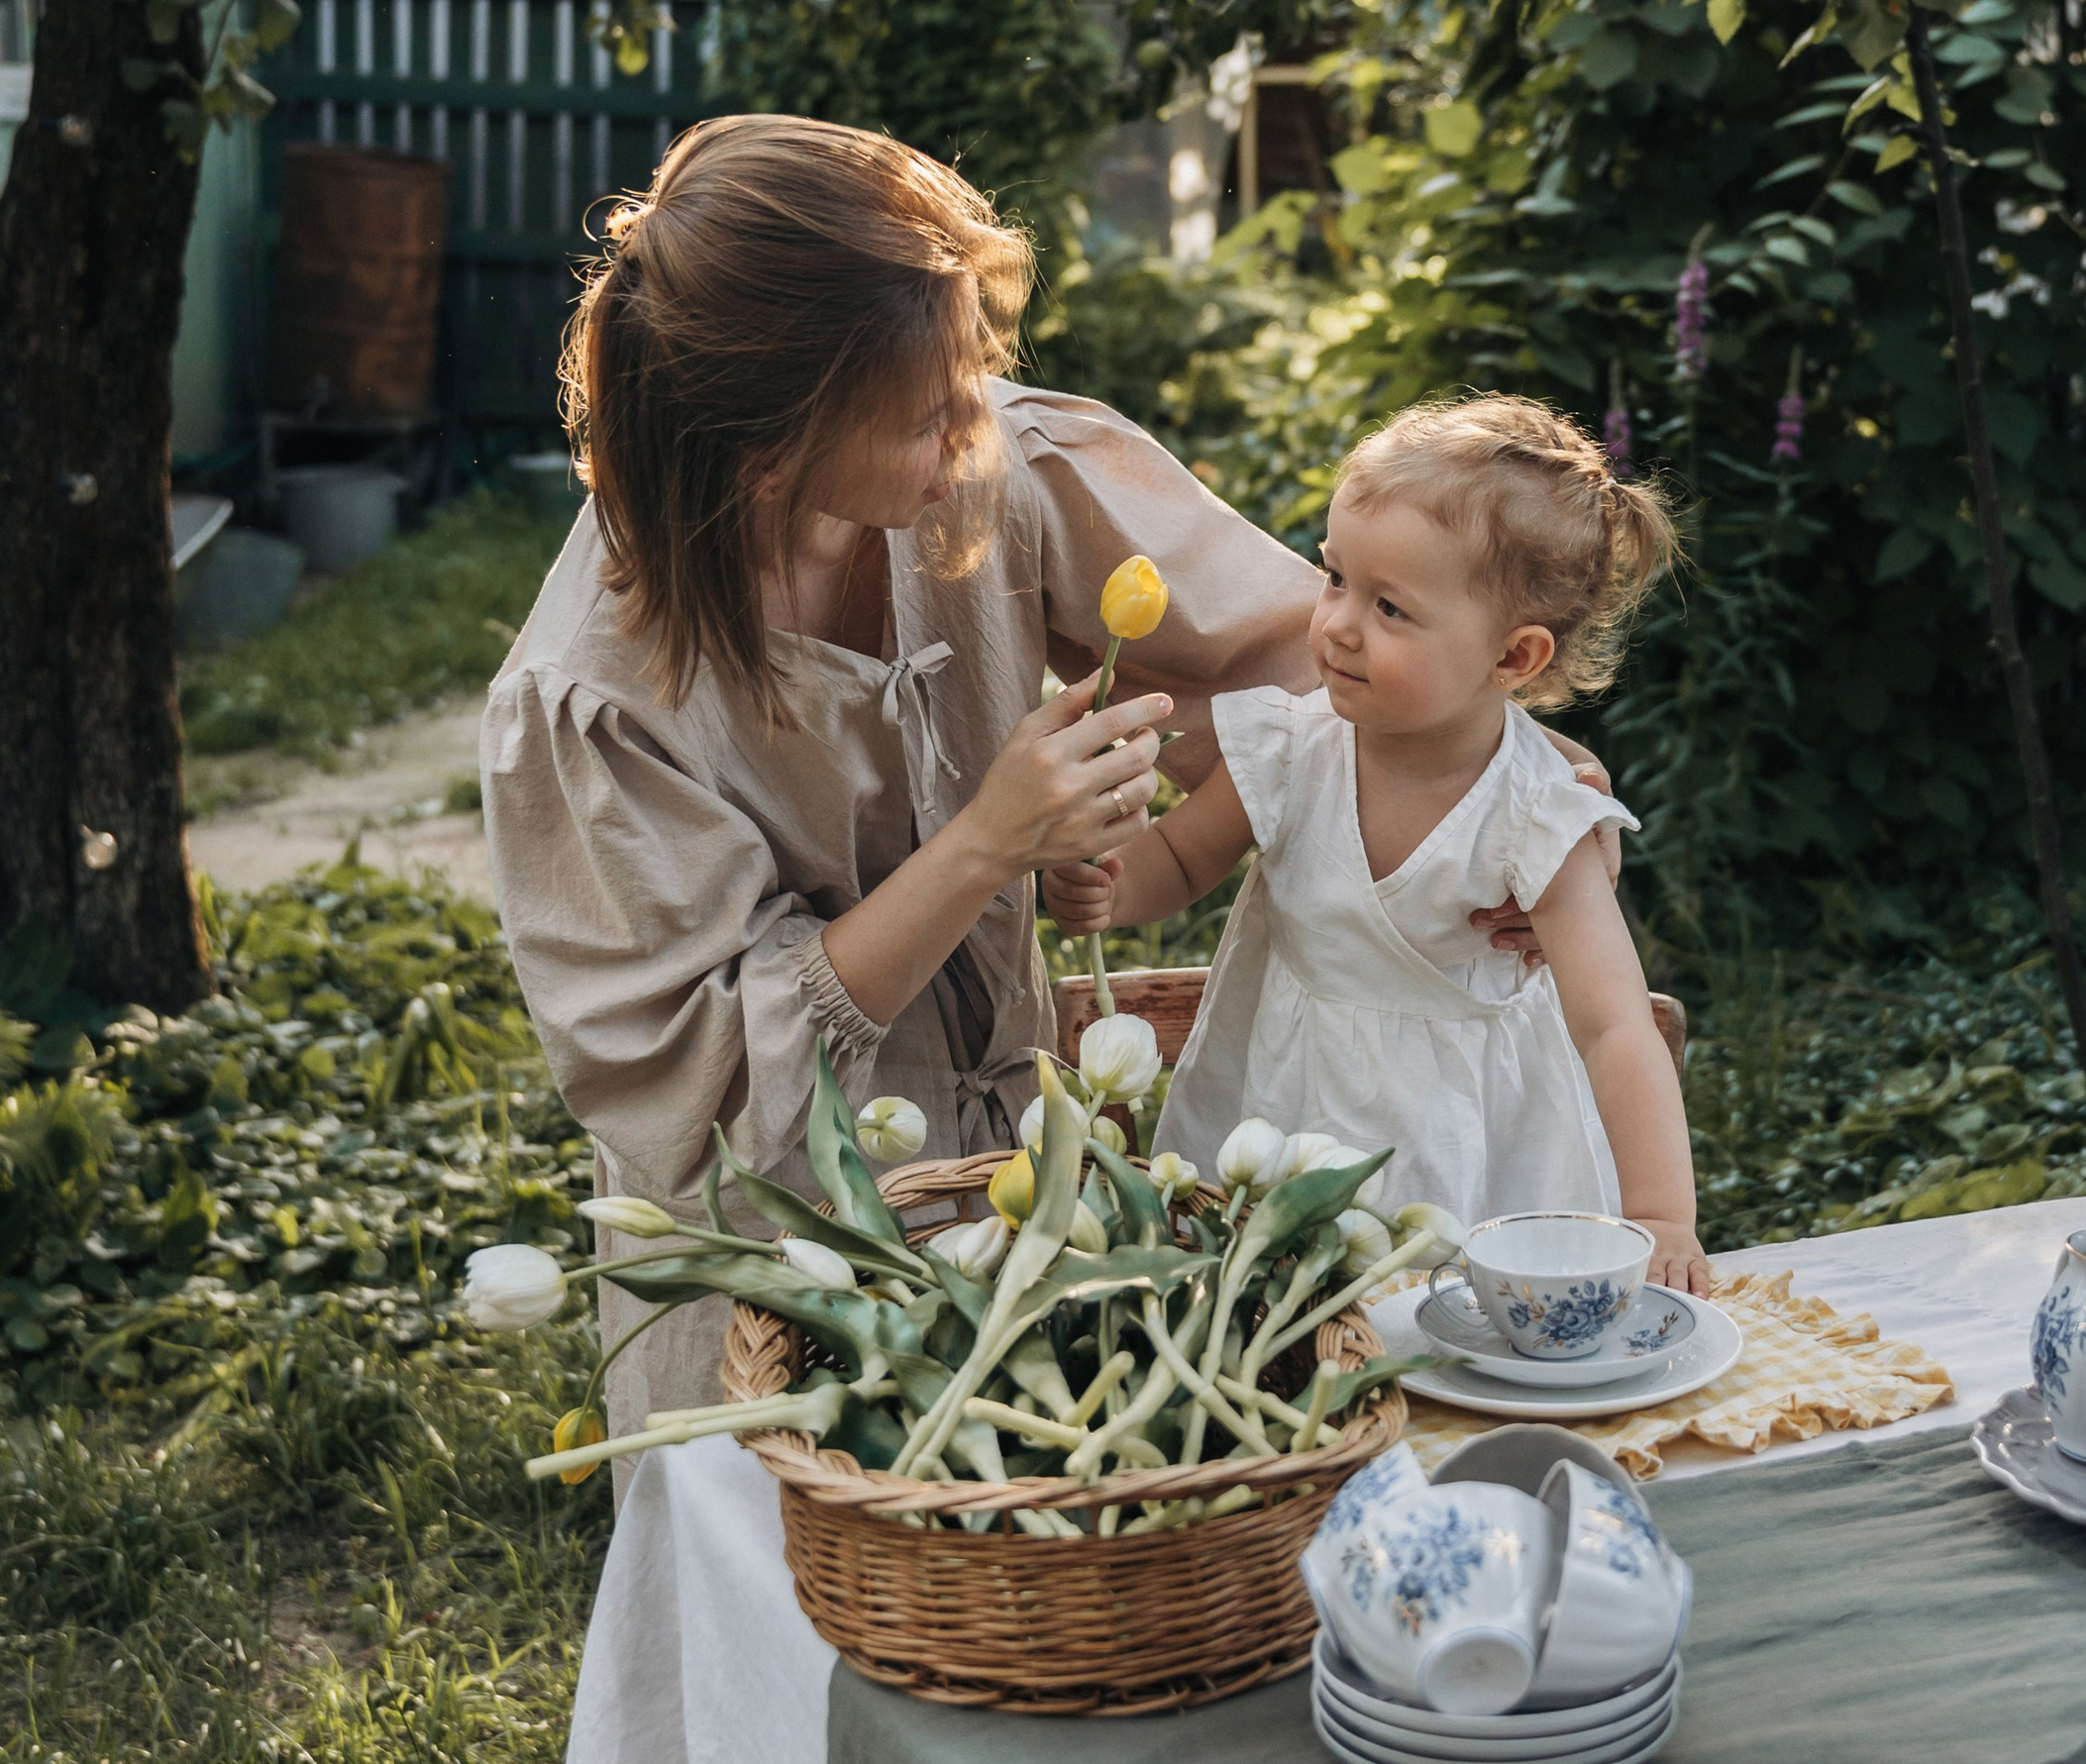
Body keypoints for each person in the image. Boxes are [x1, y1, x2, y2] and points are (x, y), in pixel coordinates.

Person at [479, 120, 1612, 1426]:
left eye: (967, 376)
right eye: (926, 413)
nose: (974, 434)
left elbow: (1307, 655)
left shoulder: (994, 467)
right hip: (774, 1272)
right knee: (803, 1587)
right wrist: (982, 847)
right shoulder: (594, 698)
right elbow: (718, 1097)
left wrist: (1507, 783)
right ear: (767, 454)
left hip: (1023, 1196)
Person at [1044, 393, 1707, 1293]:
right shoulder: (1289, 746)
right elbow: (1181, 858)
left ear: (1514, 659)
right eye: (1334, 579)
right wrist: (1112, 887)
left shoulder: (1537, 813)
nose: (1339, 625)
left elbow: (1615, 1025)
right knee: (1281, 1312)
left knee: (1458, 1332)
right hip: (1285, 1095)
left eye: (1390, 609)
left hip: (1468, 1139)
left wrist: (1663, 1215)